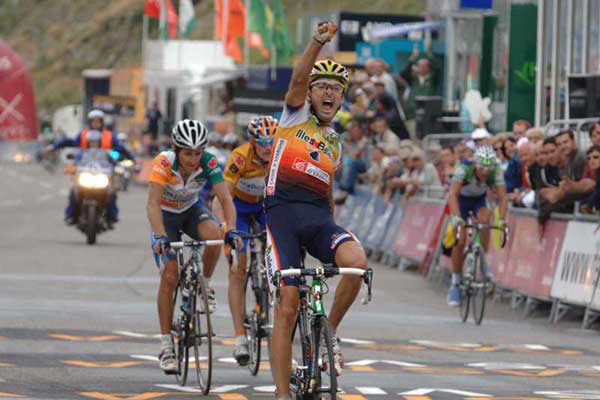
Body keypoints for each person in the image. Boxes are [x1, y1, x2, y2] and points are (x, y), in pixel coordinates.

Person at [264, 22, 368, 400]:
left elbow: (326, 193)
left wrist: (332, 230)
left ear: (341, 101)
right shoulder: (294, 118)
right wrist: (317, 42)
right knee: (288, 306)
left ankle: (330, 334)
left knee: (356, 262)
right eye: (322, 86)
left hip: (319, 219)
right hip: (281, 218)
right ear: (309, 94)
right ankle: (281, 393)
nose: (329, 92)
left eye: (336, 90)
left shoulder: (335, 143)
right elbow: (296, 80)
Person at [146, 119, 241, 374]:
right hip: (165, 218)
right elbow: (153, 203)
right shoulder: (164, 162)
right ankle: (167, 346)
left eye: (197, 152)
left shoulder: (209, 162)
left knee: (215, 235)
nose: (192, 159)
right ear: (177, 150)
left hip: (190, 211)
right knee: (170, 276)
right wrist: (160, 236)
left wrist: (230, 228)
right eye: (188, 153)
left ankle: (204, 284)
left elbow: (226, 199)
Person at [212, 115, 277, 366]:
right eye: (263, 143)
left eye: (272, 142)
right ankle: (240, 337)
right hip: (237, 206)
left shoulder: (279, 157)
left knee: (279, 249)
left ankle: (269, 303)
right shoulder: (240, 157)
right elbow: (223, 196)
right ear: (252, 142)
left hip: (262, 206)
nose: (268, 148)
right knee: (238, 268)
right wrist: (226, 228)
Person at [47, 109, 135, 226]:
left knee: (111, 193)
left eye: (98, 121)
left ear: (102, 122)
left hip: (104, 171)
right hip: (85, 170)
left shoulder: (109, 136)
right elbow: (69, 142)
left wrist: (131, 158)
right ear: (89, 122)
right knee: (74, 191)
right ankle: (71, 215)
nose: (96, 123)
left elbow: (121, 149)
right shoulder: (83, 135)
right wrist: (54, 146)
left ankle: (111, 216)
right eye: (93, 121)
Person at [446, 145, 507, 306]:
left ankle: (483, 258)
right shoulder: (464, 168)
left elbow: (502, 197)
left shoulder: (496, 170)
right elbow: (452, 194)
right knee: (460, 240)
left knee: (486, 221)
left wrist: (501, 220)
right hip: (461, 201)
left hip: (479, 200)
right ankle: (455, 283)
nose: (485, 173)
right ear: (475, 164)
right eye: (481, 169)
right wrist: (457, 218)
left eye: (488, 169)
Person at [400, 39, 439, 141]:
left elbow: (437, 68)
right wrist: (412, 58)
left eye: (423, 66)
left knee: (426, 140)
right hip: (412, 114)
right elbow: (403, 73)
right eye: (419, 66)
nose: (420, 68)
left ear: (428, 68)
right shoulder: (413, 80)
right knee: (414, 138)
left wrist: (428, 53)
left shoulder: (432, 79)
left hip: (427, 115)